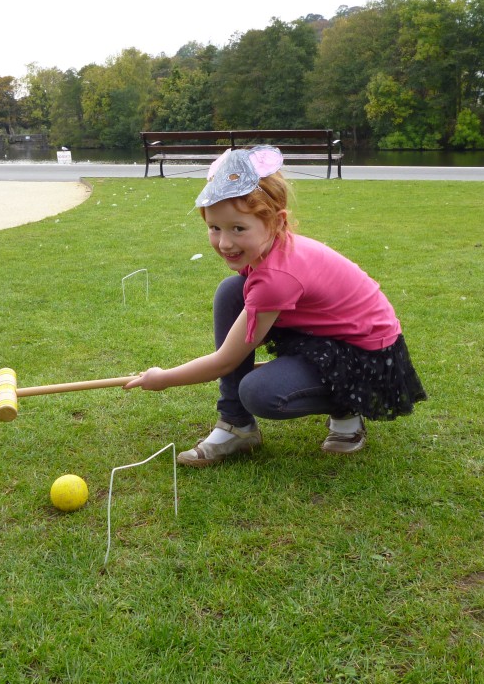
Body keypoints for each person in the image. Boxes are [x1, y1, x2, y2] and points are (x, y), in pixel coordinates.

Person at [124, 145, 426, 467]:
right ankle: (235, 426)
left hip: (365, 356)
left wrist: (164, 378)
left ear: (277, 221)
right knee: (232, 291)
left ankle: (347, 407)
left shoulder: (277, 277)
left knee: (259, 392)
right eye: (215, 228)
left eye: (238, 229)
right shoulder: (269, 249)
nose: (224, 243)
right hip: (322, 332)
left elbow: (224, 362)